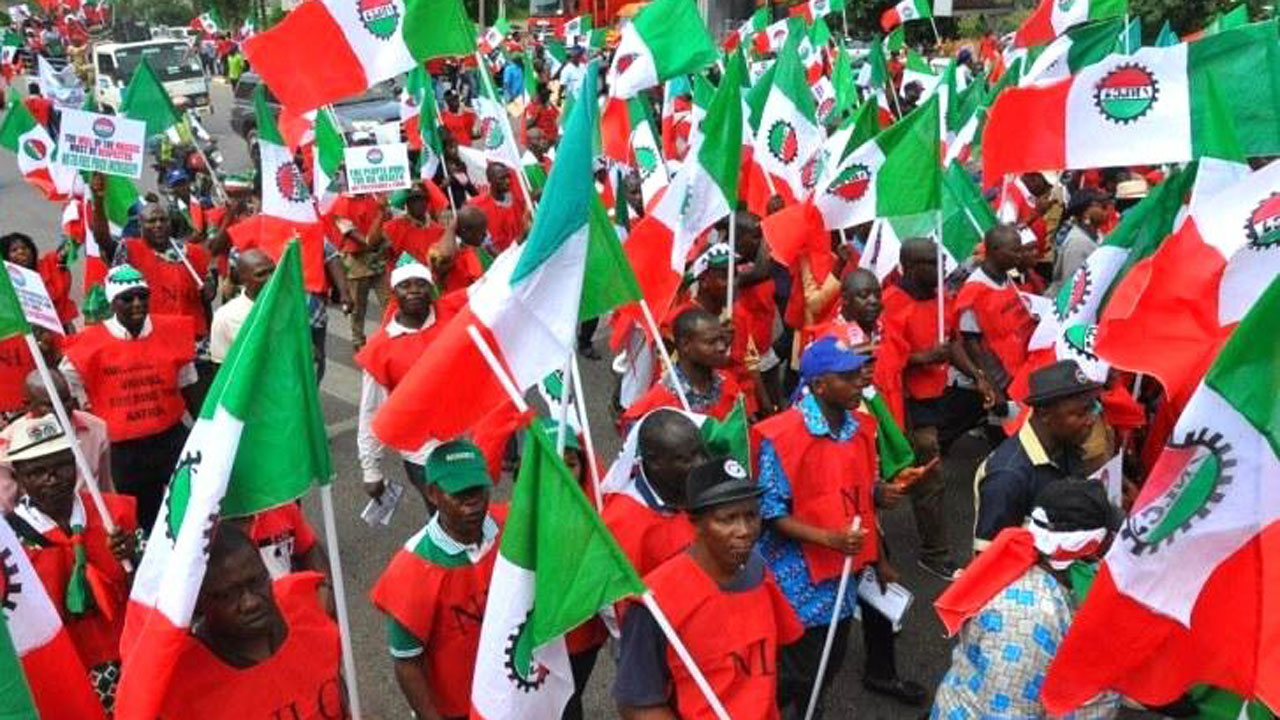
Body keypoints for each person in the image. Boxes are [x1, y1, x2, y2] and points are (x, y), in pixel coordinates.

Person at [755, 337, 929, 717]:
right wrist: (828, 539)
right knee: (792, 670)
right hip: (795, 580)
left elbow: (860, 497)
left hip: (845, 575)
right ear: (818, 385)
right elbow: (770, 512)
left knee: (827, 665)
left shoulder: (861, 429)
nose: (860, 384)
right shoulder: (782, 436)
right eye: (848, 377)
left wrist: (878, 503)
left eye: (860, 375)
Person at [614, 456, 803, 718]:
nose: (745, 530)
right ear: (695, 524)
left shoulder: (759, 572)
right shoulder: (656, 603)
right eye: (728, 519)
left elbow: (775, 661)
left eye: (751, 516)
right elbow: (637, 704)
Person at [934, 479, 1122, 720]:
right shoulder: (1027, 621)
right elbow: (1005, 711)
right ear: (1086, 548)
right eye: (1105, 545)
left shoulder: (1035, 573)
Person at [4, 414, 136, 714]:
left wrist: (132, 557)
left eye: (61, 465)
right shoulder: (11, 542)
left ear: (75, 463)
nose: (52, 478)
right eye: (37, 471)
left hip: (129, 655)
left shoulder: (114, 514)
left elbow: (153, 591)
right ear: (20, 477)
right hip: (67, 668)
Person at [879, 238, 992, 580]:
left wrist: (977, 377)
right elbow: (889, 359)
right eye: (932, 262)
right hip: (907, 399)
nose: (941, 267)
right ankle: (935, 552)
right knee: (931, 469)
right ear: (911, 267)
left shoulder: (943, 298)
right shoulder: (891, 303)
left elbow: (953, 343)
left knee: (924, 465)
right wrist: (925, 357)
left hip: (939, 393)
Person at [154, 523, 345, 719]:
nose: (250, 602)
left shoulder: (306, 607)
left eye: (255, 581)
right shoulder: (183, 681)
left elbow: (339, 690)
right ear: (198, 602)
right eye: (227, 595)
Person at [372, 440, 504, 720]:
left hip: (508, 695)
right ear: (432, 494)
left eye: (478, 492)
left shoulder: (510, 528)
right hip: (456, 711)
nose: (473, 505)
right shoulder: (410, 570)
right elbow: (407, 663)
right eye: (460, 495)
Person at [60, 265, 199, 530]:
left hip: (171, 439)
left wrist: (206, 428)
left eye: (142, 296)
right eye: (127, 298)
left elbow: (189, 385)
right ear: (113, 303)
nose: (137, 304)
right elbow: (66, 385)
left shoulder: (172, 332)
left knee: (185, 507)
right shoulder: (89, 344)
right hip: (124, 452)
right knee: (140, 517)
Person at [973, 359, 1103, 552]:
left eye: (1092, 409)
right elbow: (989, 562)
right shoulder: (1008, 478)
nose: (1091, 420)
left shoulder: (1065, 444)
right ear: (1044, 414)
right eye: (1080, 413)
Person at [356, 255, 453, 506]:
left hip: (464, 442)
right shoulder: (380, 349)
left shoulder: (453, 322)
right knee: (446, 516)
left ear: (430, 288)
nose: (413, 291)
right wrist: (371, 469)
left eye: (420, 284)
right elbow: (371, 410)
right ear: (394, 293)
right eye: (405, 285)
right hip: (422, 455)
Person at [602, 409, 707, 576]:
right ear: (654, 461)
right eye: (686, 459)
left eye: (702, 453)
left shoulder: (700, 487)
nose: (701, 464)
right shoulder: (622, 525)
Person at [0, 369, 113, 512]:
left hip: (93, 520)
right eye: (50, 404)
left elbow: (106, 487)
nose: (61, 409)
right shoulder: (7, 444)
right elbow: (5, 507)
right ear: (27, 405)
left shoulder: (96, 428)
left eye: (65, 400)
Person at [955, 225, 1038, 408]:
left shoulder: (1005, 278)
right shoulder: (974, 291)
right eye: (1014, 251)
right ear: (994, 250)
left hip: (1016, 373)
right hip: (997, 379)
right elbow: (971, 343)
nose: (1019, 255)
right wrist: (992, 387)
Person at [622, 308, 744, 430]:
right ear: (685, 345)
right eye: (711, 342)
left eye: (722, 339)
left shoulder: (727, 382)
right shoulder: (656, 407)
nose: (722, 347)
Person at [116, 201, 214, 340]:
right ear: (141, 225)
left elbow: (209, 292)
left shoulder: (194, 252)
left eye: (163, 220)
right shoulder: (129, 250)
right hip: (150, 337)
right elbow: (117, 293)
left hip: (191, 338)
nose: (158, 225)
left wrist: (209, 289)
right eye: (152, 221)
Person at [209, 248, 274, 365]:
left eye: (273, 271)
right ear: (242, 279)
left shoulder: (292, 308)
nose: (270, 278)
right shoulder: (225, 318)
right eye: (261, 274)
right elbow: (221, 368)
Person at [1049, 187, 1111, 296]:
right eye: (1101, 206)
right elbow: (1072, 285)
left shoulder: (1098, 235)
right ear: (1085, 214)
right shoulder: (1077, 243)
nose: (1106, 210)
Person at [471, 163, 527, 253]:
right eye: (502, 178)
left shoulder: (518, 198)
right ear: (490, 180)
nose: (507, 181)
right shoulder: (478, 206)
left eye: (507, 176)